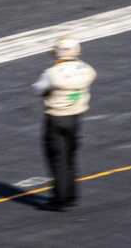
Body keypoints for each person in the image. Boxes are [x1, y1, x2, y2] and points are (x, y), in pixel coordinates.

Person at [32, 33, 95, 212]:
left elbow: (38, 89)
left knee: (57, 158)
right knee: (70, 156)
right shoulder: (87, 70)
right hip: (76, 117)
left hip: (56, 118)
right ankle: (71, 195)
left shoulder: (52, 73)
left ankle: (60, 199)